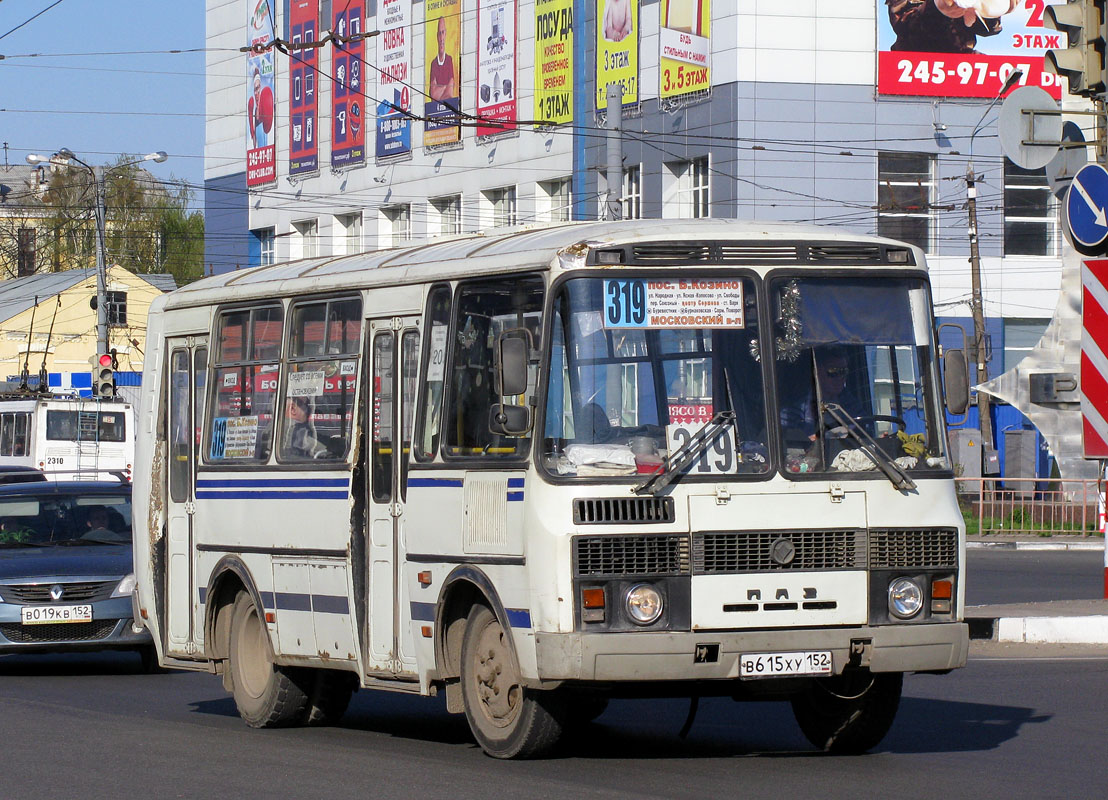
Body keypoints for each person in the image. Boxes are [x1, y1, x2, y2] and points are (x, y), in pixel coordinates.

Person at [887, 0, 1018, 54]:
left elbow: (988, 29)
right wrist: (939, 8)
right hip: (912, 61)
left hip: (961, 62)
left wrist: (994, 9)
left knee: (1008, 84)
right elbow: (904, 25)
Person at [429, 17, 456, 102]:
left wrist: (439, 89)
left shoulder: (449, 60)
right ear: (437, 36)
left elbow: (450, 93)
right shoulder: (433, 64)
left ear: (446, 34)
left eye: (443, 32)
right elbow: (433, 94)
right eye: (440, 33)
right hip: (434, 110)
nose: (441, 38)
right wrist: (445, 86)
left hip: (449, 108)